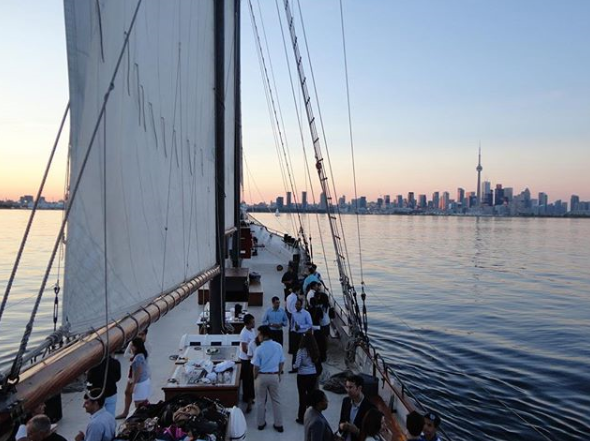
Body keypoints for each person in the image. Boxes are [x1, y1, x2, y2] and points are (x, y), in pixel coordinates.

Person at [252, 325, 285, 433]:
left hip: (261, 376)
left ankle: (261, 423)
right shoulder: (278, 346)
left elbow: (256, 367)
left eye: (259, 334)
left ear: (264, 335)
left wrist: (255, 378)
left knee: (261, 401)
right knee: (276, 400)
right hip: (274, 375)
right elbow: (281, 362)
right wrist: (278, 374)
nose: (258, 336)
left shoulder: (259, 349)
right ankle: (278, 424)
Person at [117, 327, 150, 419]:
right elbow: (126, 355)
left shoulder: (146, 347)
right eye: (138, 334)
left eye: (142, 334)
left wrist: (133, 384)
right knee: (127, 392)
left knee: (140, 399)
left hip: (139, 376)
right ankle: (126, 412)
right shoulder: (134, 344)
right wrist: (133, 357)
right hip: (133, 373)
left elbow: (140, 369)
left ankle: (142, 415)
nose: (140, 336)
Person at [339, 374, 375, 441]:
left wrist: (357, 431)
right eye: (346, 387)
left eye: (350, 387)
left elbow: (372, 435)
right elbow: (341, 422)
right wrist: (342, 426)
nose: (347, 390)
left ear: (359, 388)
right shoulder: (346, 401)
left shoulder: (370, 408)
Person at [294, 331, 320, 424]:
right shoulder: (315, 350)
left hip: (302, 376)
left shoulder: (301, 351)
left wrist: (293, 366)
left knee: (302, 397)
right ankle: (311, 416)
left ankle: (301, 417)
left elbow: (297, 364)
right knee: (311, 395)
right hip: (312, 374)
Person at [289, 299, 313, 372]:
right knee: (294, 351)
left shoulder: (306, 313)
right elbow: (292, 323)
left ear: (301, 305)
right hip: (294, 334)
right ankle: (294, 368)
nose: (297, 306)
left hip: (302, 334)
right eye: (296, 304)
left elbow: (310, 324)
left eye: (298, 304)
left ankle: (303, 365)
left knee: (302, 350)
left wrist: (300, 326)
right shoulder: (293, 313)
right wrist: (292, 330)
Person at [239, 313, 256, 413]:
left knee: (249, 380)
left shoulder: (252, 330)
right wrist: (253, 355)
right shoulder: (244, 333)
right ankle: (248, 398)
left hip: (251, 358)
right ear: (248, 324)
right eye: (253, 322)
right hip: (246, 360)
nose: (254, 323)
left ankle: (248, 397)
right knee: (248, 380)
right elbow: (244, 348)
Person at [129, 337, 151, 408]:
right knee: (143, 401)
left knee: (138, 403)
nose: (131, 347)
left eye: (132, 346)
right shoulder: (142, 354)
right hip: (145, 380)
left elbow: (138, 371)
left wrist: (133, 385)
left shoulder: (137, 358)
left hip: (140, 383)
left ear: (136, 347)